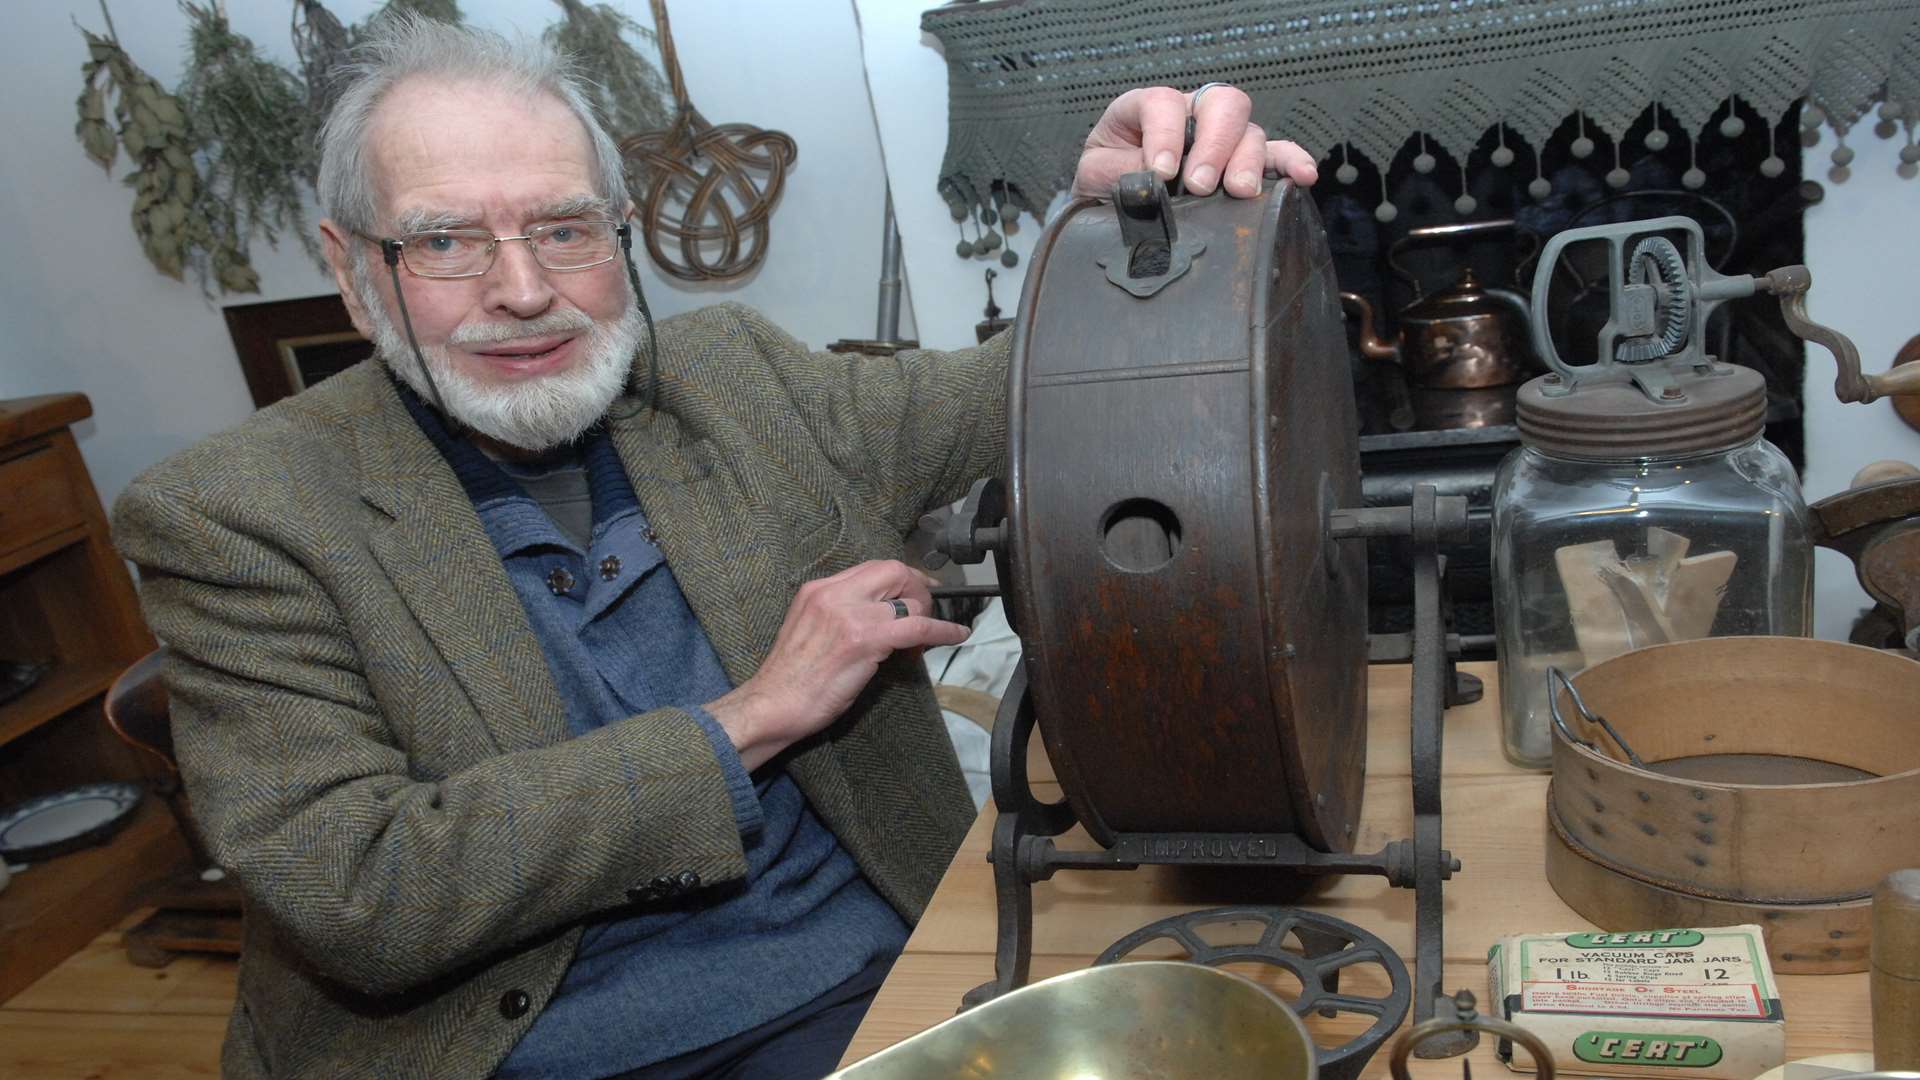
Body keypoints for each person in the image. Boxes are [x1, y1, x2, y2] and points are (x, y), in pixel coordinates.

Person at [111, 16, 1317, 1080]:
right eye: (445, 243)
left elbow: (1037, 387)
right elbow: (362, 887)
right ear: (349, 268)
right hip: (525, 1042)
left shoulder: (731, 377)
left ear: (621, 231)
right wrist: (757, 716)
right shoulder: (234, 513)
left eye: (565, 228)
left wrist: (1118, 229)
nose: (527, 291)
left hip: (861, 980)